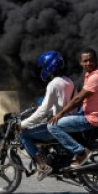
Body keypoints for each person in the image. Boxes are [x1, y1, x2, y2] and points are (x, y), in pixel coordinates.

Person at [47, 48, 98, 168]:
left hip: (93, 117)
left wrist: (61, 113)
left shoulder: (97, 76)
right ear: (81, 63)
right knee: (67, 119)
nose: (88, 63)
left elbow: (78, 99)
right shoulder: (97, 71)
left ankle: (81, 153)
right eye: (85, 61)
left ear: (96, 60)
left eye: (91, 60)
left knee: (52, 126)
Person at [17, 51, 75, 181]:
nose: (43, 69)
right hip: (71, 121)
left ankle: (42, 166)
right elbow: (63, 103)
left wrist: (23, 124)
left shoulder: (53, 84)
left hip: (60, 124)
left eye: (44, 66)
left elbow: (43, 110)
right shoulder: (69, 81)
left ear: (49, 66)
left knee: (24, 135)